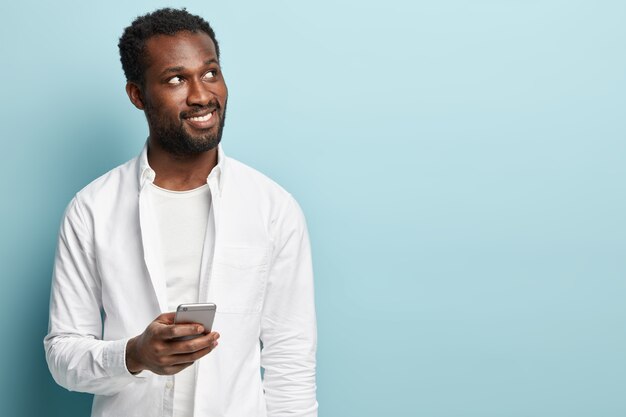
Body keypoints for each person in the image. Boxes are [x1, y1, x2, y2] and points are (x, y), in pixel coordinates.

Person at [44, 8, 318, 417]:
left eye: (210, 72)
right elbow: (63, 355)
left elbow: (290, 362)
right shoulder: (92, 209)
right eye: (176, 79)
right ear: (138, 95)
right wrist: (134, 355)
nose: (201, 95)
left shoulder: (272, 208)